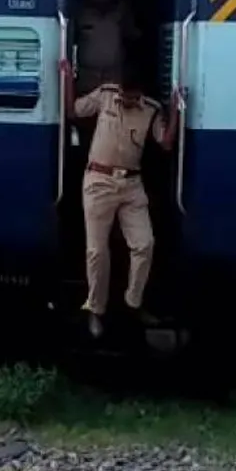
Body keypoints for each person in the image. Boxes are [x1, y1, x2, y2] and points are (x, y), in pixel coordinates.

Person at [60, 59, 181, 338]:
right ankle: (95, 310)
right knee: (96, 252)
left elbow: (165, 142)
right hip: (99, 181)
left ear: (141, 94)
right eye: (125, 96)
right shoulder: (105, 95)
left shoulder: (151, 110)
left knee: (145, 244)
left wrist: (175, 109)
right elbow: (73, 111)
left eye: (133, 97)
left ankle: (133, 303)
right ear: (120, 90)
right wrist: (67, 77)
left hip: (131, 184)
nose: (128, 101)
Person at [75, 0, 141, 95]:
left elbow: (133, 35)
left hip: (113, 76)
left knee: (112, 110)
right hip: (88, 77)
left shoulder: (120, 14)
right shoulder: (82, 14)